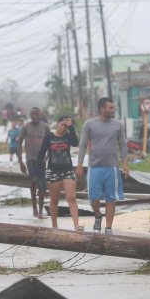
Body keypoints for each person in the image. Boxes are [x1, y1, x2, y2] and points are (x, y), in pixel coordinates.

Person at [76, 97, 128, 235]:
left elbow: (123, 145)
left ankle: (108, 227)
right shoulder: (89, 124)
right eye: (110, 108)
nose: (113, 110)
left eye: (113, 107)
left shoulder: (118, 125)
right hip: (94, 167)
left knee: (111, 198)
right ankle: (98, 216)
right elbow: (82, 145)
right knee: (94, 198)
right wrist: (80, 165)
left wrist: (125, 165)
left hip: (112, 167)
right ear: (102, 109)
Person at [36, 115, 82, 231]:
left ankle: (77, 225)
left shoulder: (68, 136)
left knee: (71, 197)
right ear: (57, 124)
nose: (63, 128)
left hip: (67, 170)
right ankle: (54, 225)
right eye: (62, 125)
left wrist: (71, 128)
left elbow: (75, 143)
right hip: (53, 171)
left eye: (66, 126)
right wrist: (39, 171)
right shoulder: (49, 137)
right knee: (54, 199)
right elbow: (41, 153)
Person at [17, 107, 51, 219]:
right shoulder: (26, 127)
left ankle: (40, 211)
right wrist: (20, 161)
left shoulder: (45, 127)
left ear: (39, 114)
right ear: (30, 115)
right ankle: (34, 208)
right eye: (33, 114)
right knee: (33, 180)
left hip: (41, 160)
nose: (35, 116)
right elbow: (19, 143)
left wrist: (48, 156)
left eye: (37, 114)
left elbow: (51, 142)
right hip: (30, 158)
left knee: (41, 185)